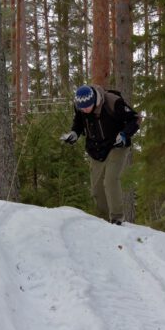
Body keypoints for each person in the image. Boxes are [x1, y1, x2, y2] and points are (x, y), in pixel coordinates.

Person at [60, 84, 140, 225]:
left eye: (87, 107)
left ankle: (116, 219)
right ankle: (102, 221)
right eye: (81, 108)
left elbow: (135, 119)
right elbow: (78, 123)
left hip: (117, 145)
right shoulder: (80, 106)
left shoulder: (112, 102)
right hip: (96, 149)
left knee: (110, 181)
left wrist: (124, 135)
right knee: (96, 189)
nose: (84, 110)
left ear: (94, 100)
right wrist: (74, 133)